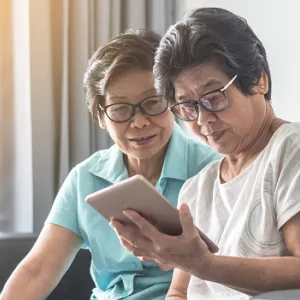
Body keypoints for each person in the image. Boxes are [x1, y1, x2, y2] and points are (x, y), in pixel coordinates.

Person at [0, 30, 220, 300]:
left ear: (173, 102)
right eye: (120, 109)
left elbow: (221, 271)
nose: (139, 122)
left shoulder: (213, 170)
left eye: (152, 103)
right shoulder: (85, 178)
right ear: (101, 118)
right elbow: (39, 270)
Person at [110, 8, 300, 300]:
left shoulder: (290, 148)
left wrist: (204, 264)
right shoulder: (198, 187)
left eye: (214, 98)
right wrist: (183, 261)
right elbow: (179, 291)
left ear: (260, 80)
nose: (202, 120)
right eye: (187, 107)